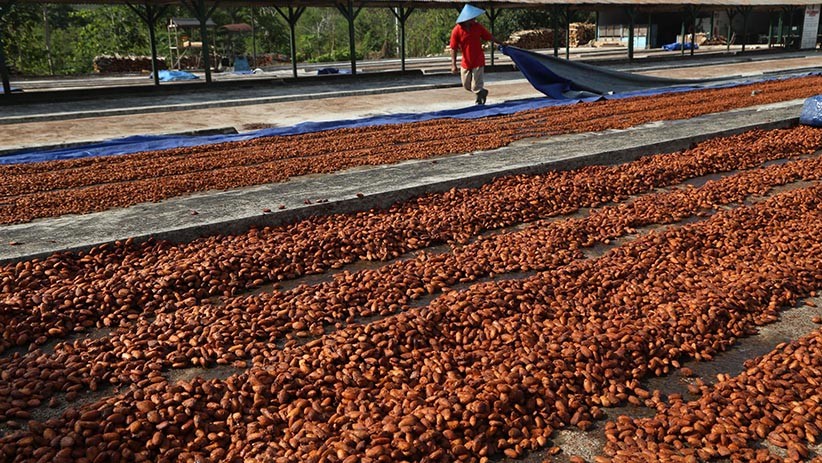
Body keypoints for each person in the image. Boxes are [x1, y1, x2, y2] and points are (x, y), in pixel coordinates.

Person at [450, 4, 503, 105]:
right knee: (466, 85)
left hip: (478, 59)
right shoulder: (457, 30)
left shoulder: (477, 27)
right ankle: (482, 92)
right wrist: (453, 64)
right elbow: (453, 47)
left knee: (476, 86)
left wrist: (500, 43)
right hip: (466, 62)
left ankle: (479, 98)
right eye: (472, 18)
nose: (474, 19)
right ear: (466, 19)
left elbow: (489, 36)